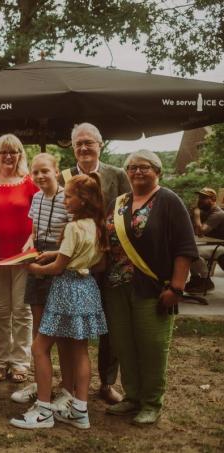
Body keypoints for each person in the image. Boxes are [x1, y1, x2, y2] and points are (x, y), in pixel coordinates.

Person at [103, 150, 197, 425]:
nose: (138, 172)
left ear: (158, 171)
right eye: (132, 167)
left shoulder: (169, 201)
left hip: (154, 288)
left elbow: (185, 247)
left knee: (152, 346)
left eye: (145, 167)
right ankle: (132, 397)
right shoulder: (119, 202)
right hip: (116, 286)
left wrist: (177, 287)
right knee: (124, 344)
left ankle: (152, 402)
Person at [10, 173, 108, 430]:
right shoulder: (97, 226)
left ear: (83, 199)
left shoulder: (73, 227)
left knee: (39, 348)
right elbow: (99, 263)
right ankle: (80, 411)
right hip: (86, 289)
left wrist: (32, 268)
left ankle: (43, 411)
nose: (65, 200)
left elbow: (57, 268)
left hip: (65, 290)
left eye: (69, 196)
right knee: (80, 351)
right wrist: (64, 256)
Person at [60, 122, 130, 404]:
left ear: (100, 144)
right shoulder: (64, 176)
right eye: (79, 143)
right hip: (75, 263)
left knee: (109, 323)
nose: (84, 148)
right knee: (75, 323)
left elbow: (129, 211)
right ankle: (75, 382)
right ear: (73, 147)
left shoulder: (117, 174)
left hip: (109, 262)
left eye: (89, 142)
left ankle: (106, 382)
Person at [11, 153, 71, 404]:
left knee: (63, 331)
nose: (39, 176)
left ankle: (67, 388)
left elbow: (74, 240)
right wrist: (27, 250)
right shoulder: (36, 197)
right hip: (38, 259)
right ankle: (40, 382)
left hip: (60, 261)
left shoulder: (69, 198)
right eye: (35, 172)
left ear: (56, 171)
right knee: (39, 328)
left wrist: (52, 255)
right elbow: (33, 233)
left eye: (44, 171)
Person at [0, 134, 38, 384]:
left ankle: (20, 362)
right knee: (0, 310)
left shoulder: (29, 184)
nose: (8, 156)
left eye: (13, 152)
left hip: (22, 257)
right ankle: (0, 360)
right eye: (3, 152)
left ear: (20, 155)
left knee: (22, 311)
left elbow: (41, 213)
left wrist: (33, 239)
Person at [185, 187, 224, 293]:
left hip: (220, 246)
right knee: (186, 249)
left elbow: (201, 231)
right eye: (199, 197)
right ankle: (196, 279)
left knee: (191, 252)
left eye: (203, 198)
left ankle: (205, 280)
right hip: (209, 243)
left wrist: (196, 215)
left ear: (213, 199)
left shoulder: (218, 213)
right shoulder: (205, 212)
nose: (199, 200)